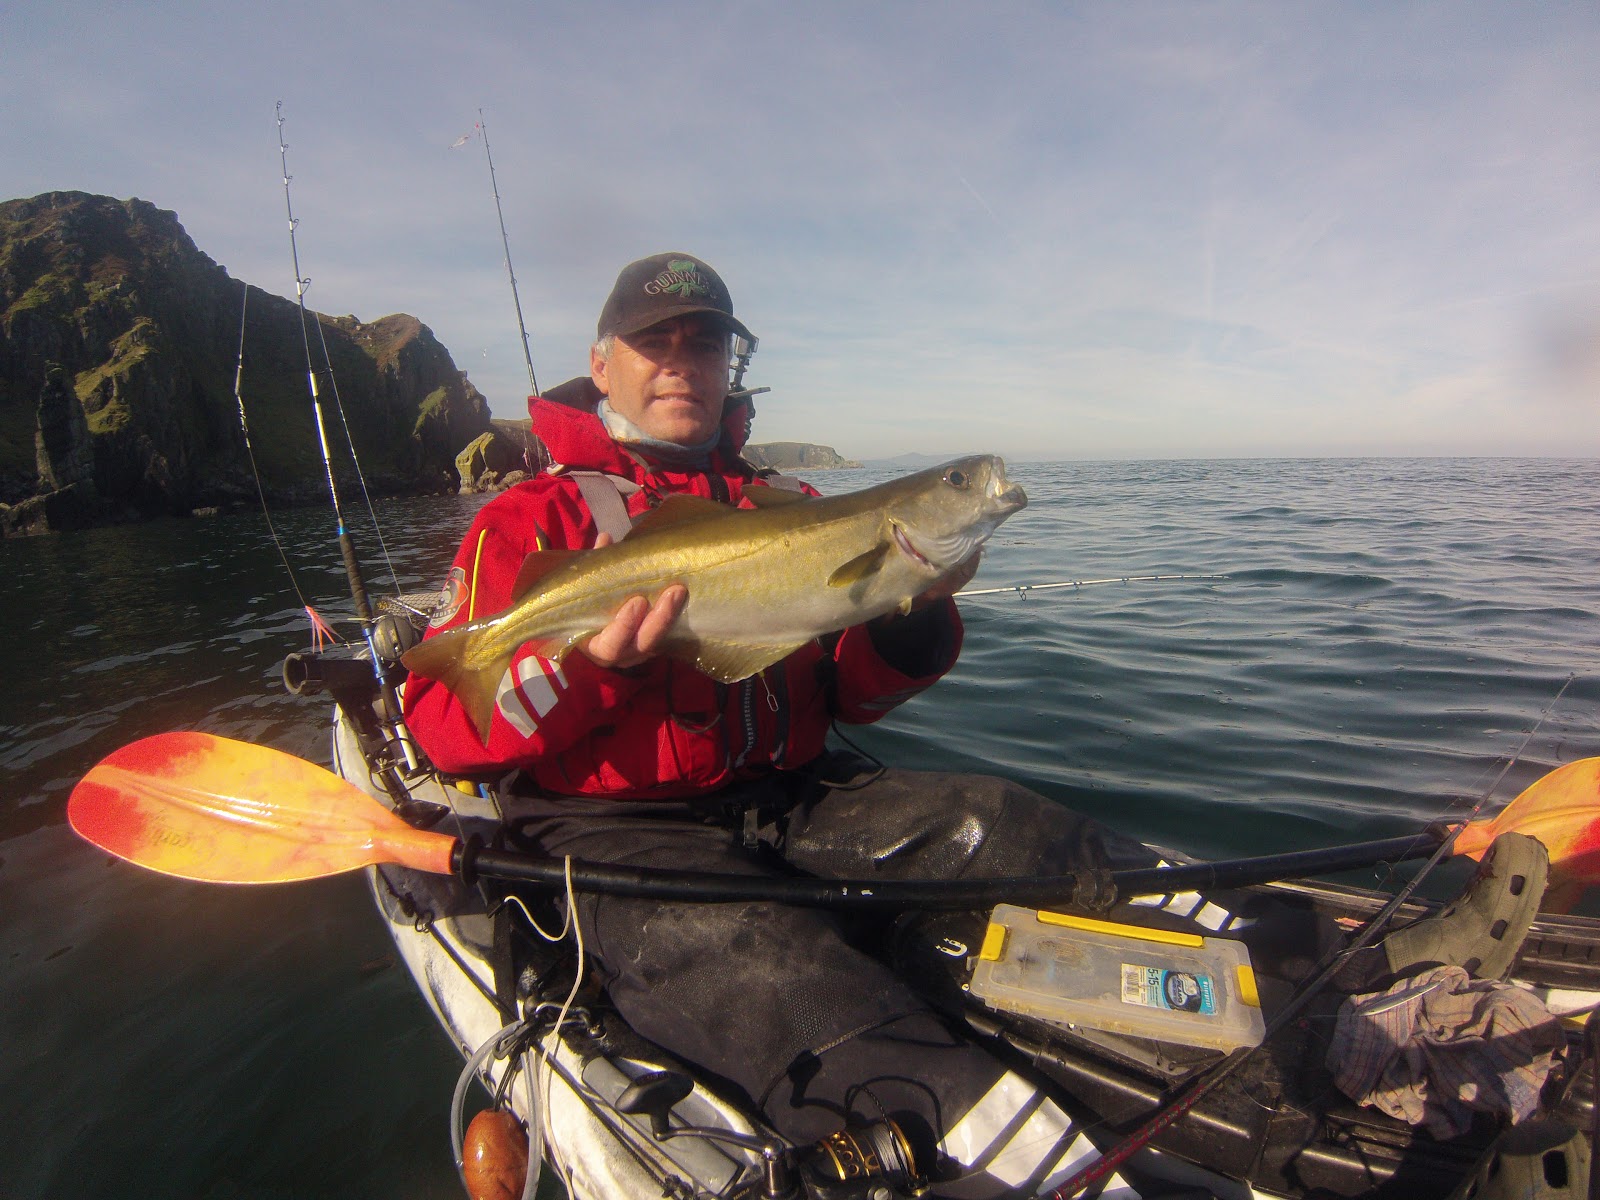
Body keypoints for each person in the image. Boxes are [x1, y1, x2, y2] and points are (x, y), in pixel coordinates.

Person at [406, 253, 1546, 1197]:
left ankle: (1315, 966)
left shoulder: (790, 508)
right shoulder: (532, 520)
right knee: (787, 983)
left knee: (1005, 821)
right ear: (602, 362)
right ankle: (1023, 1160)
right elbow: (447, 732)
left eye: (702, 343)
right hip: (621, 839)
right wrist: (595, 672)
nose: (679, 364)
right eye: (653, 343)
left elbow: (847, 692)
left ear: (728, 364)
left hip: (797, 798)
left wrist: (908, 620)